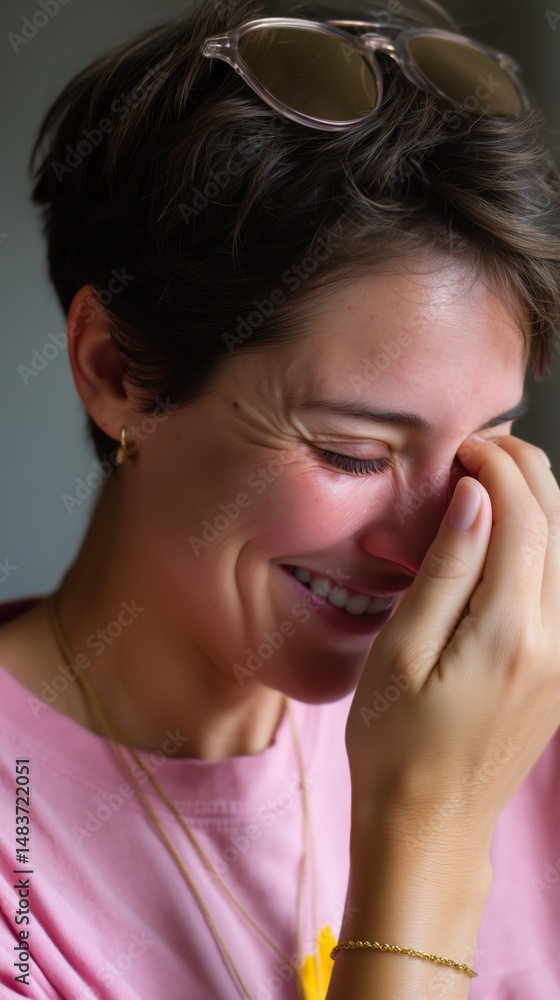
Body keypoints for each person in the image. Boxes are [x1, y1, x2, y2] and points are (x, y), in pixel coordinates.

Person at [1, 0, 560, 996]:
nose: (427, 547)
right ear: (114, 370)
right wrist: (429, 834)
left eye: (483, 446)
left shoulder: (521, 706)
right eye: (352, 452)